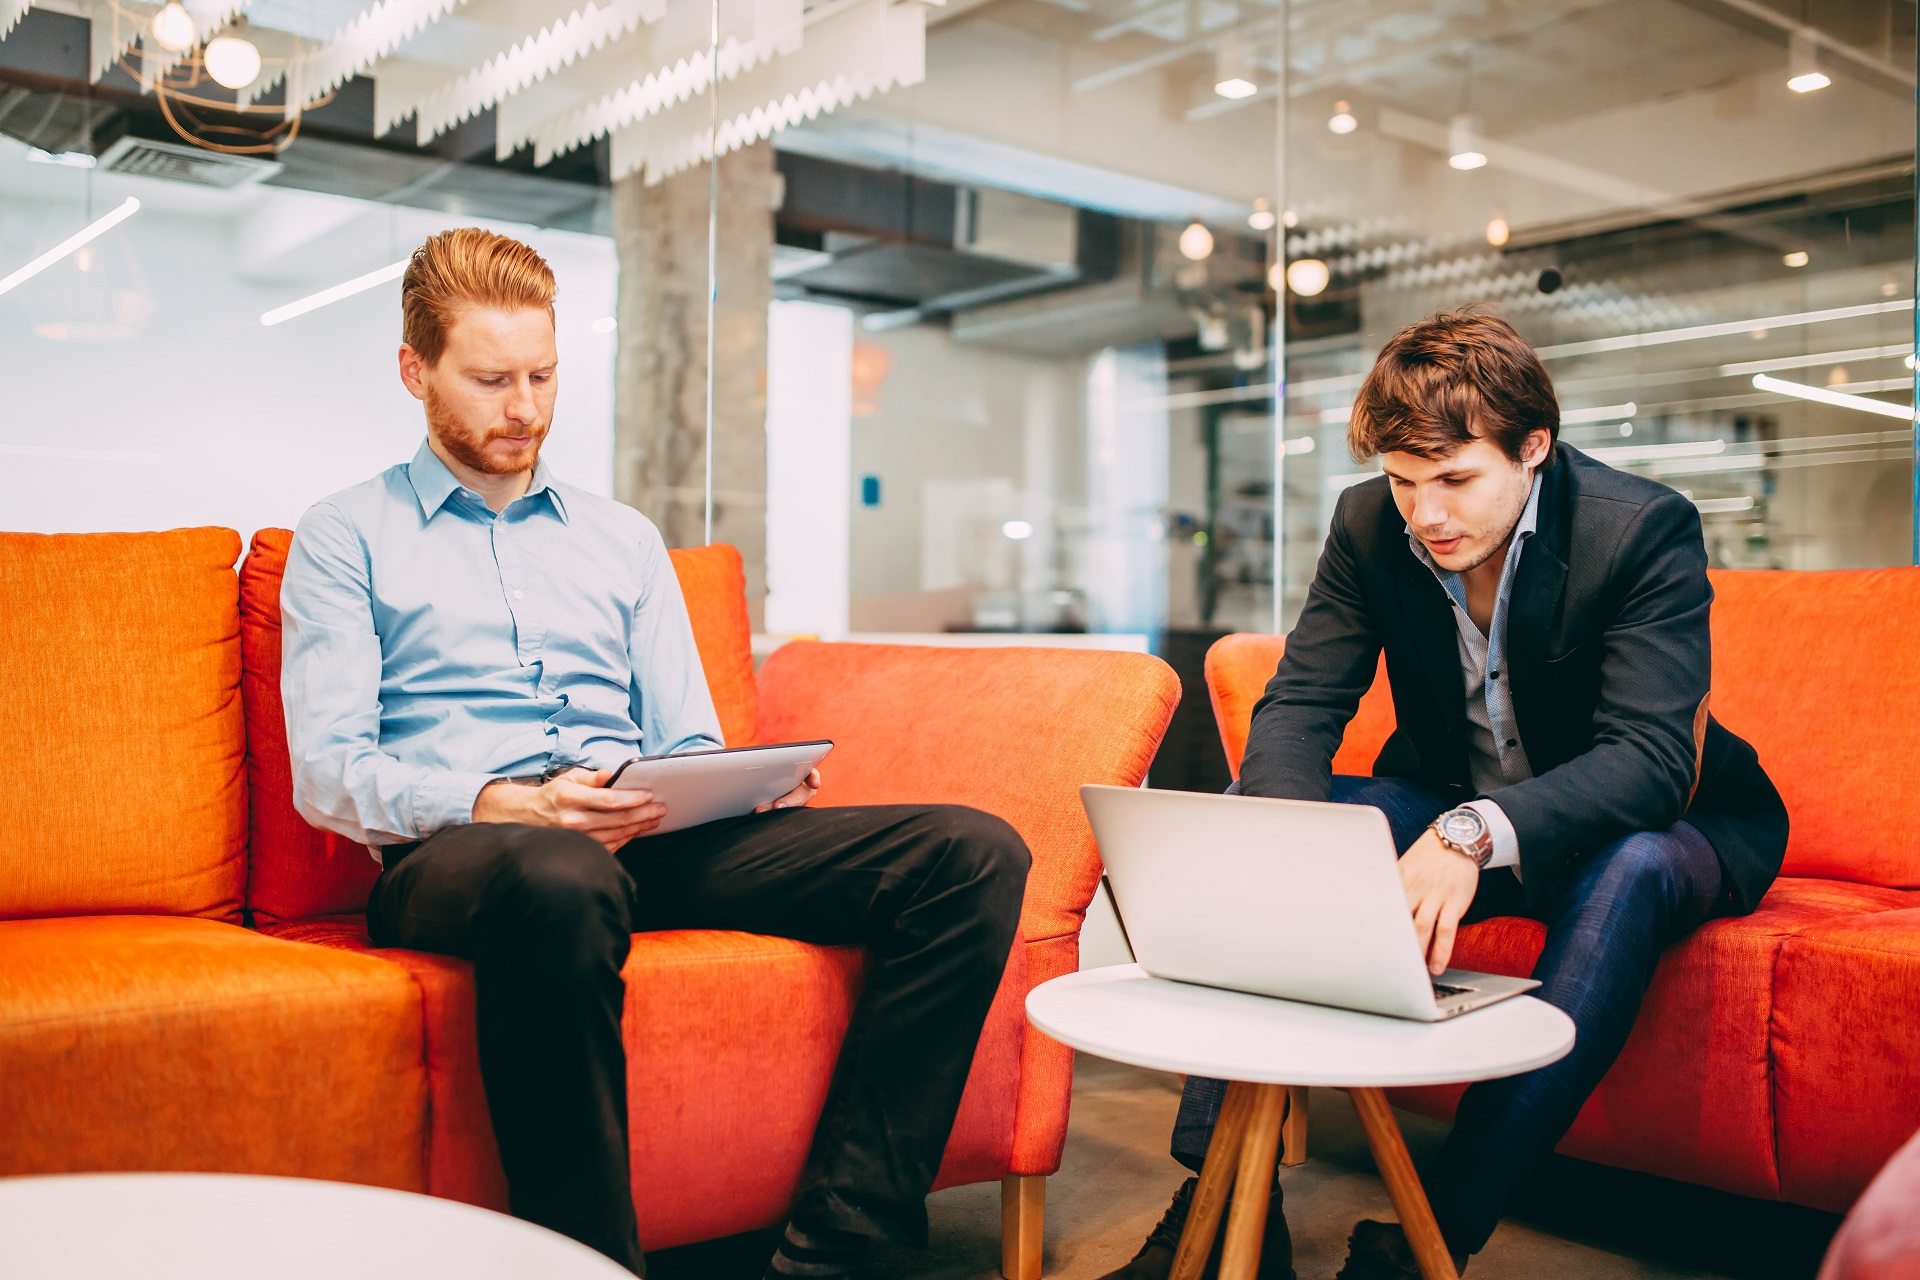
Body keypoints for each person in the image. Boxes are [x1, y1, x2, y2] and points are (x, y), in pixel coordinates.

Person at [280, 227, 1030, 1280]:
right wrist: (507, 800)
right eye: (491, 378)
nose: (525, 408)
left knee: (971, 853)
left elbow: (682, 736)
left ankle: (843, 1238)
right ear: (416, 370)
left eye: (542, 375)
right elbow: (331, 771)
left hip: (640, 834)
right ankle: (586, 1263)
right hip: (467, 850)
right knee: (559, 869)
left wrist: (737, 786)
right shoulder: (345, 534)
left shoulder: (622, 538)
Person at [1104, 310, 1786, 1280]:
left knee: (1628, 868)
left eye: (1457, 478)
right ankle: (1223, 1207)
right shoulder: (1367, 522)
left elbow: (1644, 755)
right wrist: (1276, 846)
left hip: (1660, 821)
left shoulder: (1639, 527)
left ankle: (1429, 1238)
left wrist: (1472, 832)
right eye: (1403, 479)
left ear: (1533, 448)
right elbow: (1302, 701)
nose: (1427, 512)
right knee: (1297, 824)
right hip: (1451, 794)